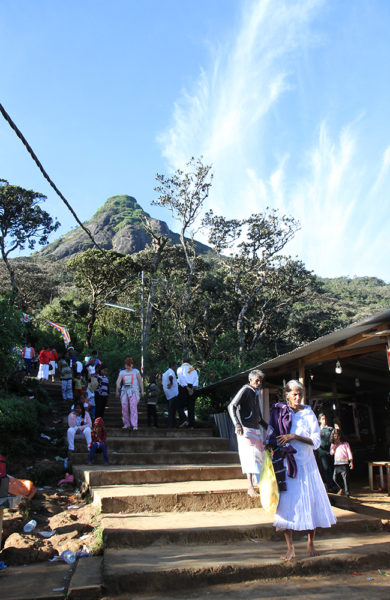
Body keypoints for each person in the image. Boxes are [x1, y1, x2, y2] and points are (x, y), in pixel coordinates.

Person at [267, 380, 336, 561]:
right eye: (294, 394)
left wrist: (295, 436)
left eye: (300, 394)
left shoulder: (308, 412)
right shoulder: (280, 411)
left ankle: (310, 542)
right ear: (287, 394)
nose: (297, 397)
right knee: (287, 505)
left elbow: (316, 440)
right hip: (287, 464)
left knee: (311, 502)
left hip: (307, 464)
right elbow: (272, 437)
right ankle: (290, 548)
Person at [228, 370, 268, 498]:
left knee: (260, 456)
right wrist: (237, 424)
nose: (259, 383)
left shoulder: (255, 394)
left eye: (260, 381)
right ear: (250, 380)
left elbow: (259, 418)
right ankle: (250, 487)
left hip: (255, 430)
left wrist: (270, 429)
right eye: (256, 380)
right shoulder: (246, 389)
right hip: (245, 429)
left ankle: (261, 484)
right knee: (249, 457)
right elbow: (231, 406)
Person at [115, 356, 144, 430]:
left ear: (132, 364)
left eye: (129, 364)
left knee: (133, 407)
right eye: (126, 364)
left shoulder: (136, 371)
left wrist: (142, 391)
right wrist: (118, 387)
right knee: (124, 408)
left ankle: (134, 424)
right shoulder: (122, 372)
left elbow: (140, 381)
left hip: (133, 391)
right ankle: (126, 424)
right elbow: (118, 381)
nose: (127, 366)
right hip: (124, 391)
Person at [330, 429, 353, 497]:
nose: (336, 438)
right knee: (335, 478)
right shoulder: (333, 444)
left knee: (345, 479)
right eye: (335, 436)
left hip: (344, 463)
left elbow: (349, 453)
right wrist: (335, 446)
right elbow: (331, 453)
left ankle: (347, 493)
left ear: (340, 436)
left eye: (337, 436)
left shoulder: (345, 444)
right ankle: (341, 487)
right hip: (337, 464)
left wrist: (351, 462)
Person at [177, 358, 199, 428]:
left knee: (179, 405)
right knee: (191, 407)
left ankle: (184, 420)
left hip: (184, 388)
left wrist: (187, 388)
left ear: (183, 362)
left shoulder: (180, 369)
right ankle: (191, 424)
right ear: (190, 362)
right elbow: (196, 379)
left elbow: (181, 378)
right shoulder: (193, 369)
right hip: (192, 388)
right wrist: (192, 389)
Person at [162, 361, 184, 428]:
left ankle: (171, 424)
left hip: (169, 394)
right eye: (175, 366)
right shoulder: (171, 371)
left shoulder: (165, 373)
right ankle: (181, 421)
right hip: (173, 394)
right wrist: (171, 383)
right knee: (175, 409)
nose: (176, 367)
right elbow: (171, 376)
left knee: (171, 410)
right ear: (173, 366)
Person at [318, 413, 334, 491]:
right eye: (323, 419)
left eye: (325, 419)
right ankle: (328, 485)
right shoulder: (318, 430)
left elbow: (334, 439)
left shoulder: (330, 429)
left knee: (331, 468)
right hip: (321, 452)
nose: (324, 420)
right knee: (325, 468)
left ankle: (333, 485)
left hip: (330, 451)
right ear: (319, 420)